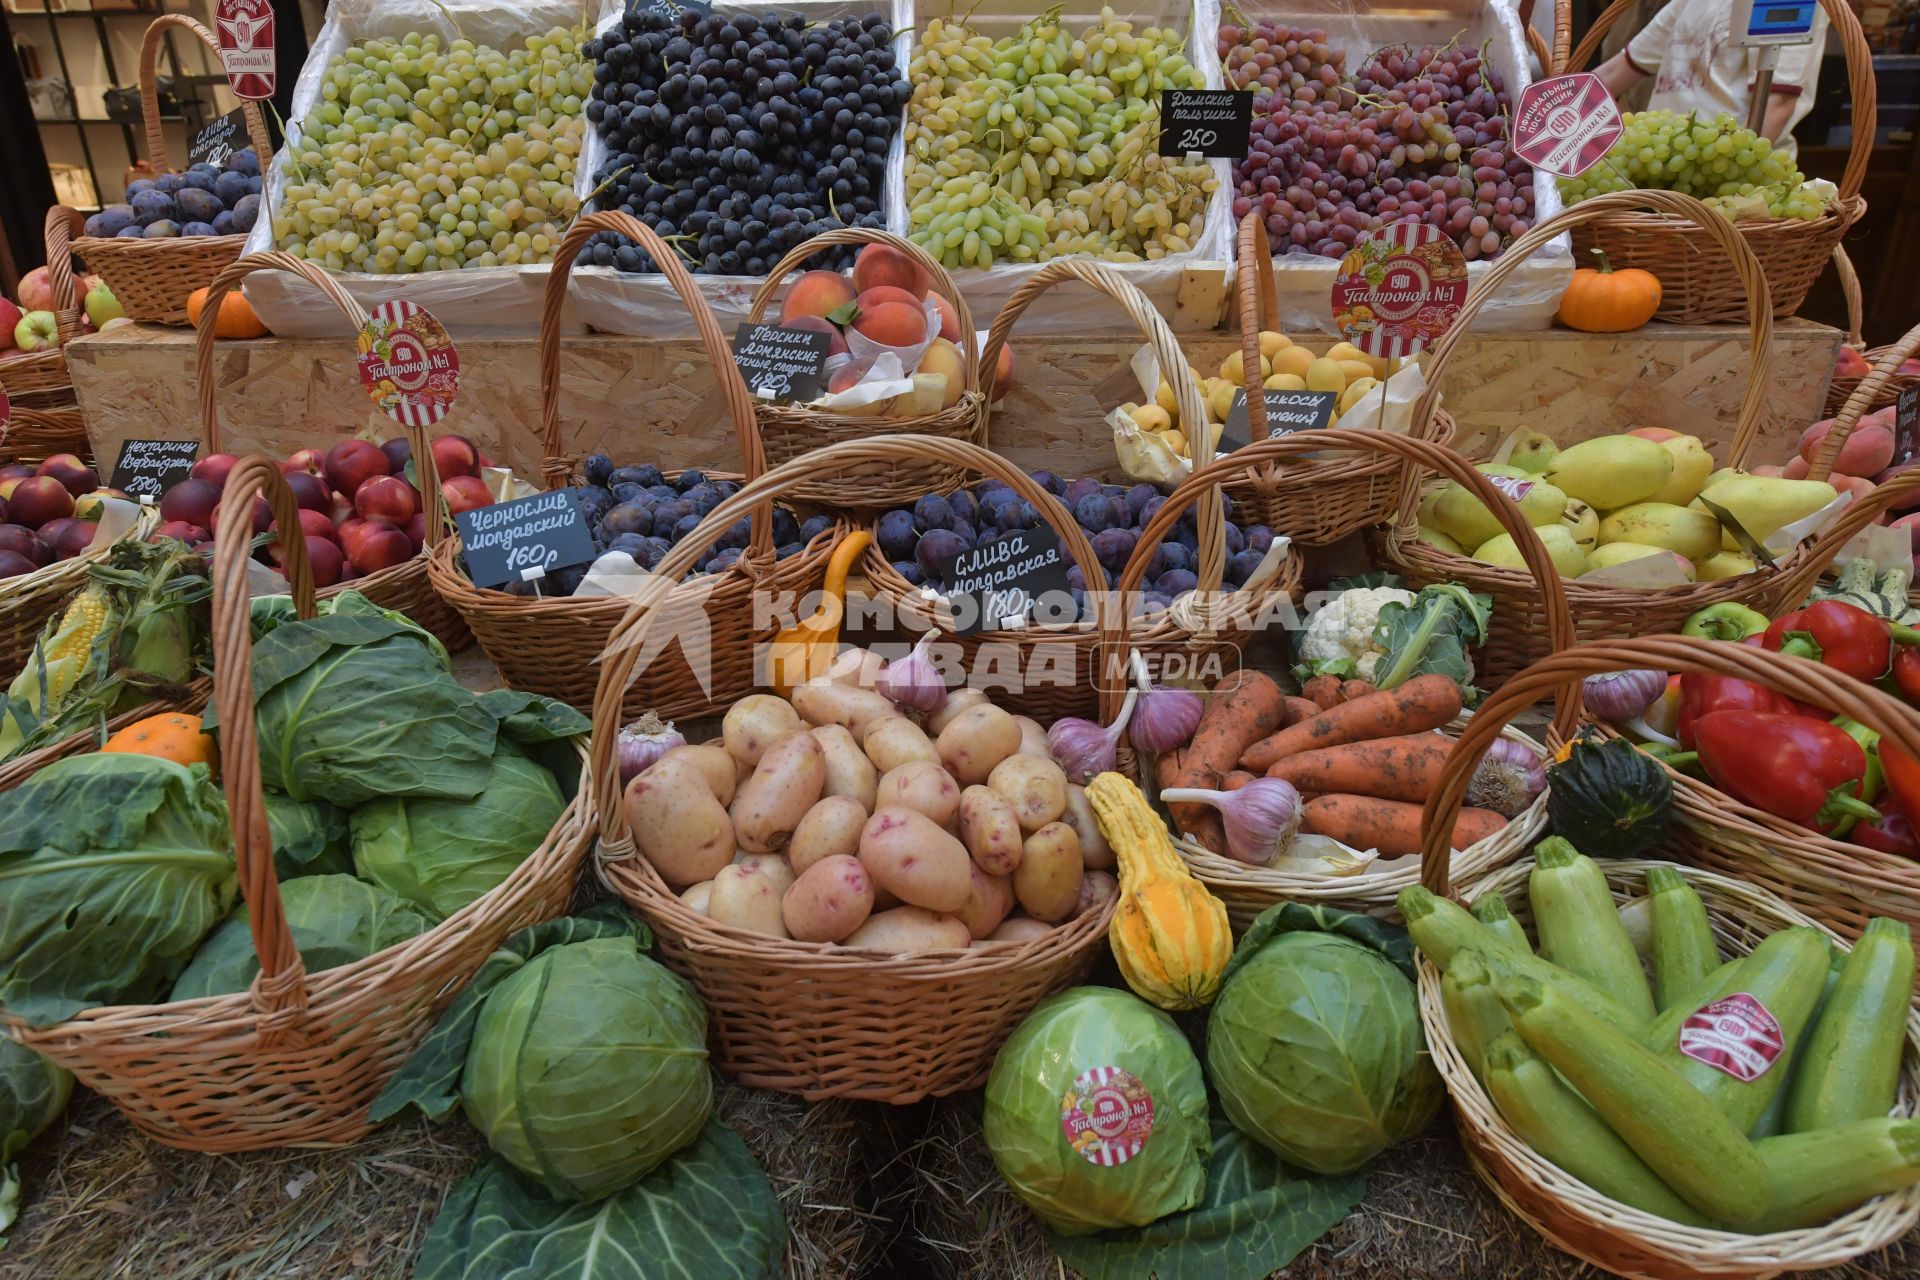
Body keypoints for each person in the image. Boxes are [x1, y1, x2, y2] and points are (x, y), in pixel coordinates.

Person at [1590, 0, 1828, 153]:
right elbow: (1617, 71)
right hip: (1659, 175)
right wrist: (1558, 106)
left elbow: (1777, 106)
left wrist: (1723, 171)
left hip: (1728, 189)